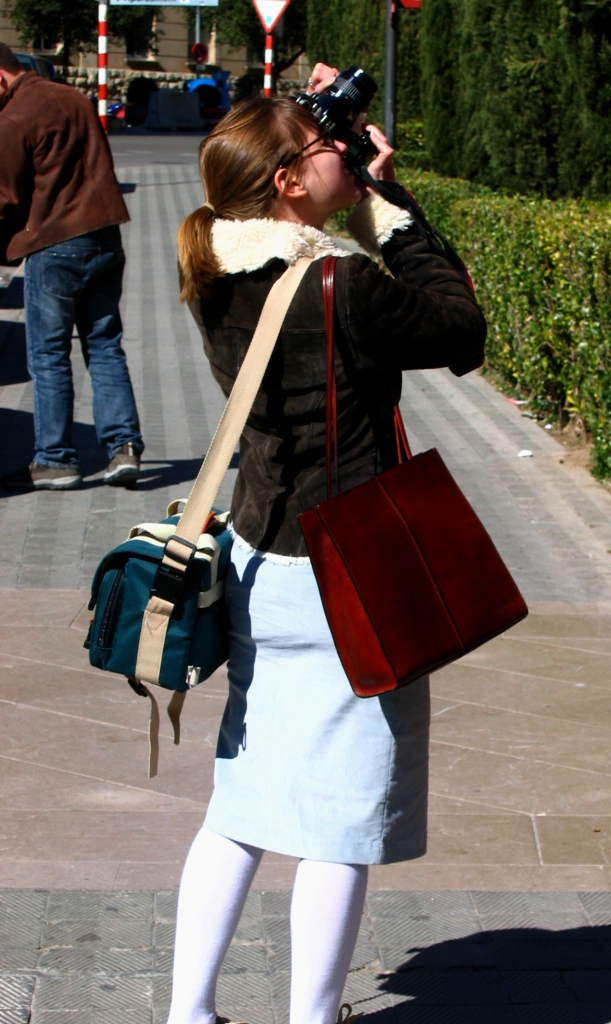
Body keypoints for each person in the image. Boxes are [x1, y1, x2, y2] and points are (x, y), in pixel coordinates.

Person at [170, 62, 486, 1024]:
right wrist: (390, 207)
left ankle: (189, 1012)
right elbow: (461, 329)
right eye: (323, 147)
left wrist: (326, 150)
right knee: (338, 822)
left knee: (241, 806)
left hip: (257, 558)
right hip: (351, 572)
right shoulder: (340, 282)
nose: (342, 153)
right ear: (287, 183)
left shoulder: (211, 266)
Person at [0, 42, 143, 490]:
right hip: (105, 236)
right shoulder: (74, 98)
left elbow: (4, 198)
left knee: (48, 355)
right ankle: (124, 449)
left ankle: (56, 459)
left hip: (54, 243)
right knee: (104, 345)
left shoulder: (12, 117)